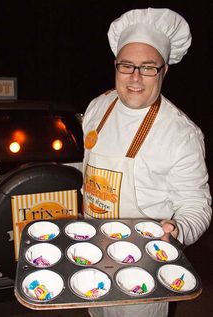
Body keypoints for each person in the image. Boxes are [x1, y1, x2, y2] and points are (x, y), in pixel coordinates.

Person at [82, 7, 212, 317]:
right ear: (116, 65)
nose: (135, 77)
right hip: (89, 255)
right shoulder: (97, 107)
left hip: (143, 269)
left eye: (148, 67)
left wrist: (178, 229)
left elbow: (197, 205)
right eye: (126, 65)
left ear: (164, 70)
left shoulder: (181, 134)